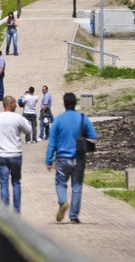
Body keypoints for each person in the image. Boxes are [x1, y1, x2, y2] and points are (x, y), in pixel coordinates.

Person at [46, 92, 98, 224]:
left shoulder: (58, 120)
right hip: (79, 157)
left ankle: (63, 202)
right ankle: (74, 216)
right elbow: (93, 136)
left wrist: (48, 160)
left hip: (62, 157)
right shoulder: (82, 118)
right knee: (77, 185)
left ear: (64, 104)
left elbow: (52, 142)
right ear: (75, 103)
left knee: (60, 182)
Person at [0, 95, 32, 213]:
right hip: (15, 155)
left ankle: (5, 213)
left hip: (1, 156)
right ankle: (16, 211)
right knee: (16, 182)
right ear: (10, 104)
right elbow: (28, 131)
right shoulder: (18, 118)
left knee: (3, 183)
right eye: (15, 104)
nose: (16, 105)